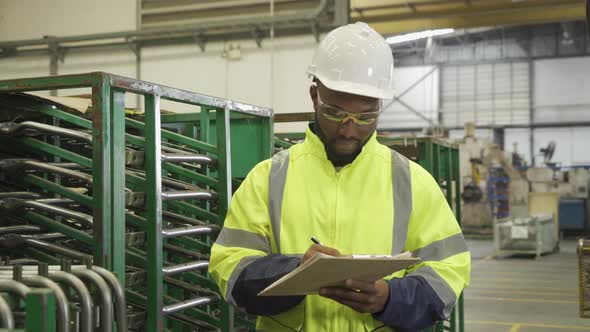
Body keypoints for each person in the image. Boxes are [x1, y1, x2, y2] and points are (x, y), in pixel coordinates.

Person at [209, 22, 470, 332]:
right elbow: (230, 268)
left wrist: (390, 297)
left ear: (380, 106)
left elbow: (448, 274)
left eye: (365, 117)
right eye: (335, 112)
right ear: (314, 96)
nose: (349, 129)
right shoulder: (267, 179)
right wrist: (294, 271)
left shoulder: (413, 183)